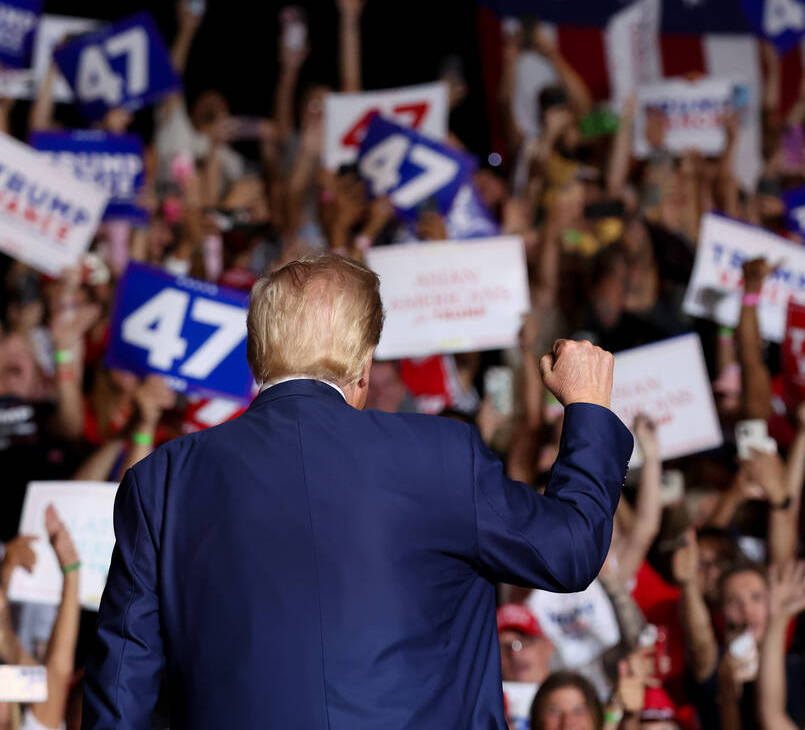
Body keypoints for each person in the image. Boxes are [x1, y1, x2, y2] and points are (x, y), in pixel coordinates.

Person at [86, 253, 632, 728]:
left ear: (257, 357)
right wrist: (587, 409)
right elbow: (569, 549)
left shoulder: (162, 480)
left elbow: (120, 687)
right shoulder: (441, 454)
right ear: (364, 366)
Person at [499, 602, 556, 684]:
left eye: (525, 642)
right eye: (504, 646)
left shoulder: (575, 692)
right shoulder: (482, 696)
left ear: (547, 646)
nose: (515, 654)